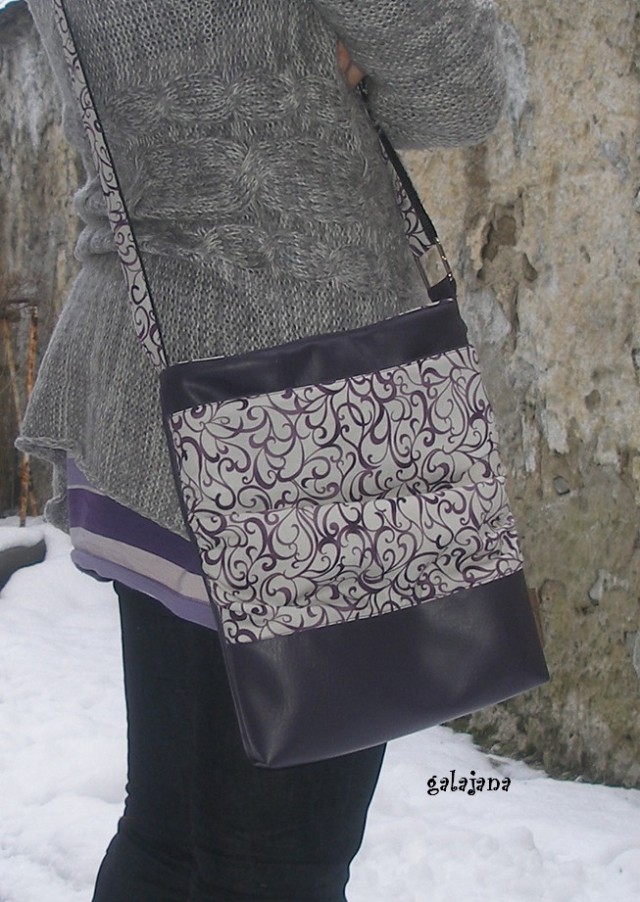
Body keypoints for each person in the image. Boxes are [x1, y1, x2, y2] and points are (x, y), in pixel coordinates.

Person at [20, 2, 506, 899]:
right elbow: (460, 86)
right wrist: (339, 68)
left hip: (145, 378)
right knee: (282, 868)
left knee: (168, 840)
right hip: (303, 417)